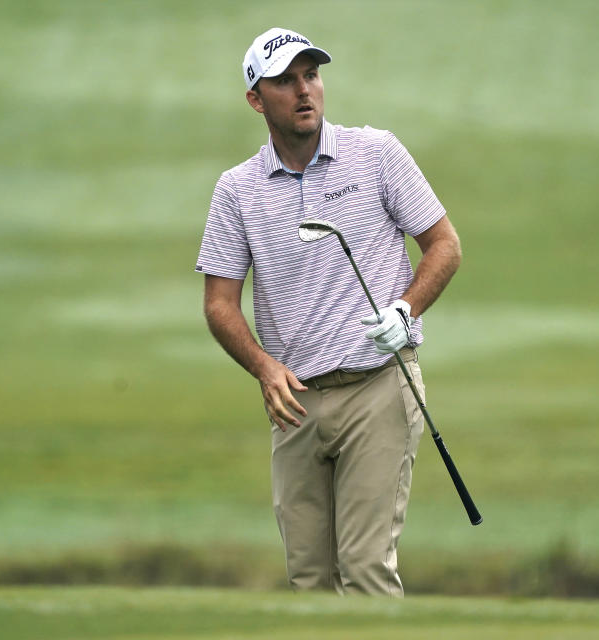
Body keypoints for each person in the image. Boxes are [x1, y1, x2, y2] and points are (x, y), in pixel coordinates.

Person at [195, 27, 461, 596]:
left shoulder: (376, 153)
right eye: (285, 81)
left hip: (379, 385)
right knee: (310, 581)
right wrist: (264, 369)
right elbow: (219, 302)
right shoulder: (237, 190)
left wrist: (405, 310)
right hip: (295, 403)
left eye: (311, 75)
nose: (303, 90)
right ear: (255, 99)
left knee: (365, 568)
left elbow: (445, 245)